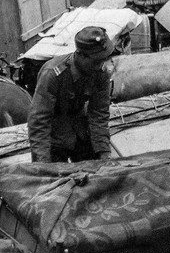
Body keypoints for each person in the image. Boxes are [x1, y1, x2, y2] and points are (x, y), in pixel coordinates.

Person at [27, 26, 115, 163]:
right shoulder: (52, 75)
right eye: (96, 61)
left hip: (80, 134)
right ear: (80, 55)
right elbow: (39, 121)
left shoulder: (100, 73)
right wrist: (43, 164)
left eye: (103, 59)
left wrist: (104, 153)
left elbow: (99, 114)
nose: (101, 65)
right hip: (52, 140)